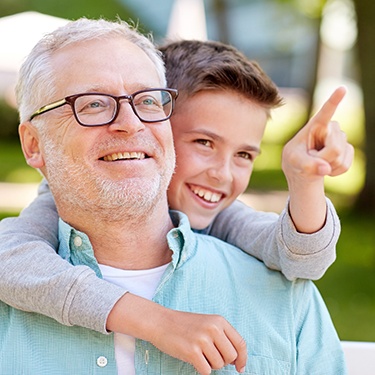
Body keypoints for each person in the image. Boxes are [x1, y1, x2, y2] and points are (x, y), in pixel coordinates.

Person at [0, 21, 353, 375]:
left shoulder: (252, 256)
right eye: (93, 104)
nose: (132, 123)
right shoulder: (32, 242)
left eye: (147, 101)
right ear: (34, 144)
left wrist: (307, 181)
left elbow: (303, 256)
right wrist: (153, 321)